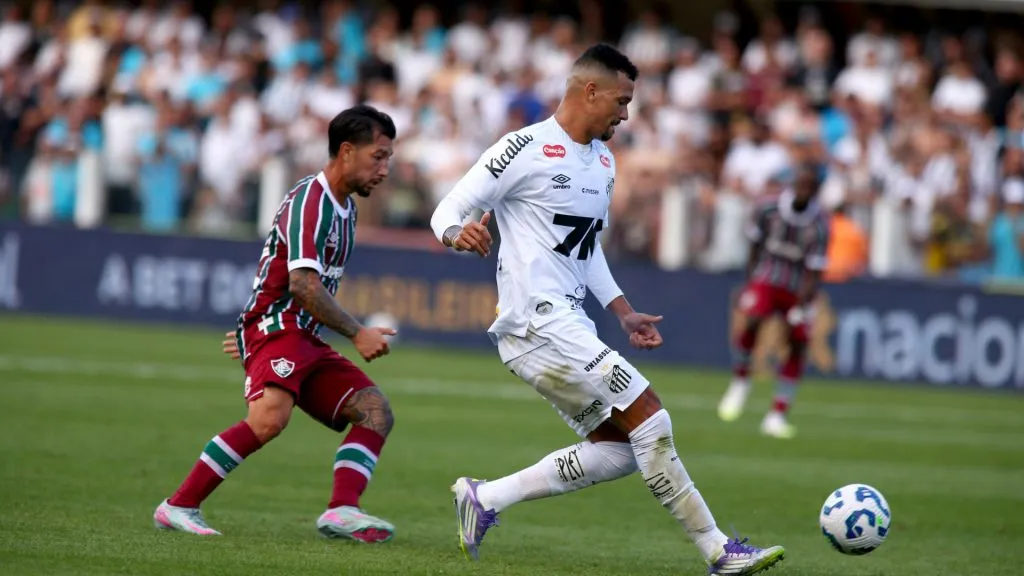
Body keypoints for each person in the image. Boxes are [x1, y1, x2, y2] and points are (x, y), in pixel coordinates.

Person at [429, 43, 785, 575]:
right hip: (535, 321)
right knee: (651, 417)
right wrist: (459, 233)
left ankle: (486, 498)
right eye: (621, 100)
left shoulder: (602, 160)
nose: (626, 113)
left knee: (619, 450)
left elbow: (587, 249)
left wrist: (622, 310)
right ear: (588, 91)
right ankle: (717, 549)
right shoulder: (522, 148)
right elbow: (447, 209)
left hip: (564, 323)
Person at [154, 105, 400, 542]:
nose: (385, 168)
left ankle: (343, 510)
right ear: (346, 151)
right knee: (269, 419)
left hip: (296, 334)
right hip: (280, 325)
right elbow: (302, 284)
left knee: (375, 411)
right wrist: (355, 332)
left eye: (388, 158)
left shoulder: (345, 208)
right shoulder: (312, 200)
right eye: (377, 156)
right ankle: (179, 505)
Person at [718, 163, 830, 439]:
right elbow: (755, 246)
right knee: (752, 320)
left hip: (796, 287)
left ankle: (777, 413)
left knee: (799, 341)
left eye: (809, 187)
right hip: (766, 277)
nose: (803, 190)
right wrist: (749, 282)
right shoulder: (768, 208)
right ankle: (741, 381)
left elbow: (815, 270)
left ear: (816, 191)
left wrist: (803, 306)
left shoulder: (820, 225)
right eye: (800, 184)